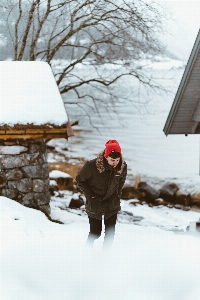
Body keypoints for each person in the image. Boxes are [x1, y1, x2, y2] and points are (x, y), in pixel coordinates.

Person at [76, 140, 127, 249]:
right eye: (113, 160)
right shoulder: (91, 166)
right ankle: (87, 251)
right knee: (95, 232)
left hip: (112, 201)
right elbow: (80, 179)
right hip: (95, 201)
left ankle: (105, 257)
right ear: (106, 156)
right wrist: (90, 195)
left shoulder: (122, 166)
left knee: (110, 233)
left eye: (117, 160)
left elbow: (121, 181)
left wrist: (118, 194)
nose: (115, 163)